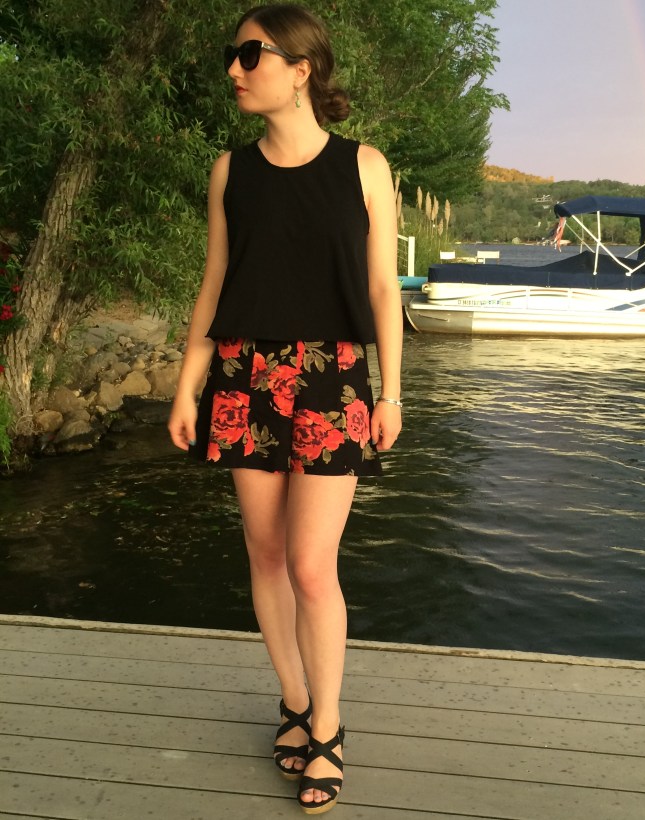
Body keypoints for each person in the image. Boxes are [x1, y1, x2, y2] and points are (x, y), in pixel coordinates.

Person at [167, 4, 403, 814]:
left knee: (310, 564)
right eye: (232, 56)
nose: (234, 70)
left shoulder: (363, 166)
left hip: (333, 377)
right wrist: (188, 384)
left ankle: (328, 727)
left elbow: (382, 288)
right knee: (265, 555)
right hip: (244, 375)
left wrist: (391, 391)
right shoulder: (230, 171)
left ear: (301, 68)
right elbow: (215, 282)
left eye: (250, 54)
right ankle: (295, 702)